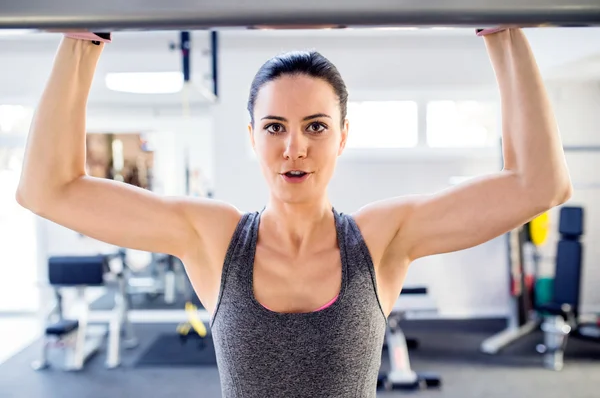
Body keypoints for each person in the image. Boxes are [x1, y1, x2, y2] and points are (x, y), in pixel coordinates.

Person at [16, 28, 572, 397]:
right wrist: (82, 37)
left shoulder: (380, 238)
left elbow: (539, 185)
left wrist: (503, 30)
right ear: (252, 136)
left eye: (316, 127)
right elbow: (48, 190)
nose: (294, 148)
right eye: (275, 127)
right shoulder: (212, 237)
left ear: (343, 137)